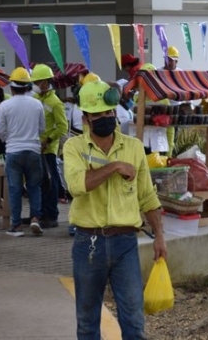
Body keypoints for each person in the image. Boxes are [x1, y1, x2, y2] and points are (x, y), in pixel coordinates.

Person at [62, 80, 166, 340]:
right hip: (88, 243)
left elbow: (147, 196)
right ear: (86, 118)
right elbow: (77, 186)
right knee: (87, 322)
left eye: (109, 112)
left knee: (133, 319)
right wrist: (114, 166)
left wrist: (160, 236)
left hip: (126, 243)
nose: (106, 118)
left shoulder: (133, 147)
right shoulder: (73, 147)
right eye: (98, 114)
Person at [0, 67, 45, 237]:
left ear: (11, 87)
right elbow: (42, 128)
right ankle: (35, 218)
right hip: (33, 150)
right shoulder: (37, 104)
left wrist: (9, 139)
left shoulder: (5, 105)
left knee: (14, 189)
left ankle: (16, 226)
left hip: (13, 151)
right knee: (34, 186)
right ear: (28, 86)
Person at [30, 64, 68, 229]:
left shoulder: (55, 102)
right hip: (35, 147)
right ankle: (40, 213)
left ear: (45, 83)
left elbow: (62, 127)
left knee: (51, 183)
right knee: (40, 183)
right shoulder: (35, 99)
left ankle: (51, 215)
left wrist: (48, 140)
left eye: (37, 82)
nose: (35, 85)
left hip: (48, 150)